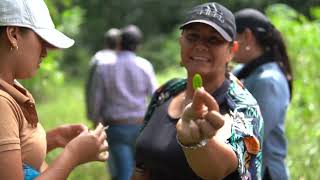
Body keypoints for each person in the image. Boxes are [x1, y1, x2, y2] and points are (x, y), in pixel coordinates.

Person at [133, 2, 264, 180]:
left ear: (231, 51)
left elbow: (218, 170)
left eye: (214, 40)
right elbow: (142, 165)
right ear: (181, 41)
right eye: (192, 37)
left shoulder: (242, 106)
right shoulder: (166, 92)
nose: (200, 46)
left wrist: (196, 142)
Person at [0, 0, 108, 179]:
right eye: (42, 41)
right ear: (13, 34)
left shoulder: (12, 87)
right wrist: (73, 155)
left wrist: (54, 138)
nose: (45, 52)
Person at [88, 24, 157, 180]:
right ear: (138, 45)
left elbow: (96, 97)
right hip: (141, 126)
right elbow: (155, 96)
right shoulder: (145, 65)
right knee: (142, 171)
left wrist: (95, 121)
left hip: (116, 128)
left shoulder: (104, 67)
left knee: (122, 172)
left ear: (119, 43)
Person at [232, 8, 293, 180]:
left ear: (247, 36)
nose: (227, 45)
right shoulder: (242, 71)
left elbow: (252, 138)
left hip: (265, 172)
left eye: (231, 37)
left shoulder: (268, 80)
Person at [86, 27, 121, 125]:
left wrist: (93, 114)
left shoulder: (97, 58)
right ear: (119, 43)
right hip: (118, 115)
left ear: (106, 42)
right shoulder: (119, 59)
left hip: (101, 113)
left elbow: (92, 89)